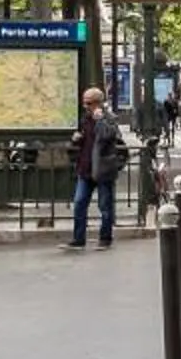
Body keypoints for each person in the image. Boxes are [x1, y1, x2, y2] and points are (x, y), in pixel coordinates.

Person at [69, 86, 126, 249]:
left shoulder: (109, 118)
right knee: (79, 203)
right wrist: (76, 139)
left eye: (88, 103)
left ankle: (105, 238)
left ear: (98, 103)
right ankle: (78, 238)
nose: (85, 107)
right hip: (85, 167)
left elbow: (108, 135)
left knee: (105, 206)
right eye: (84, 103)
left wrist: (100, 120)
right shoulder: (85, 118)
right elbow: (83, 138)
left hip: (102, 169)